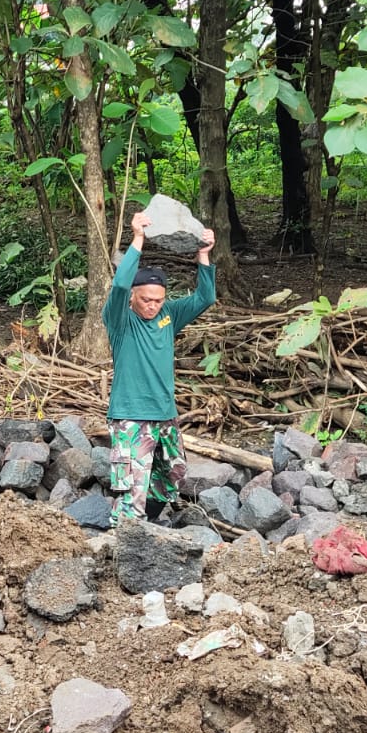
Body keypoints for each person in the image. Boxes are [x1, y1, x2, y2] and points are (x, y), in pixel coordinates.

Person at [105, 212, 216, 527]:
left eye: (158, 300)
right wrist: (138, 239)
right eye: (146, 300)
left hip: (165, 414)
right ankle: (126, 532)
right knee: (130, 486)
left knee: (173, 473)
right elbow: (120, 284)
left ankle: (148, 523)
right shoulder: (120, 319)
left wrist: (204, 255)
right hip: (131, 417)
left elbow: (206, 297)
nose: (153, 305)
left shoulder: (169, 315)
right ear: (133, 298)